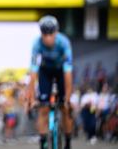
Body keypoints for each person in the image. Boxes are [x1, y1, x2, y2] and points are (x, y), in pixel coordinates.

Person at [26, 15, 73, 149]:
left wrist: (68, 97)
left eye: (50, 34)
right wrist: (32, 96)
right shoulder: (36, 44)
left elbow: (68, 73)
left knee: (65, 108)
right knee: (43, 108)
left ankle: (68, 141)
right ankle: (43, 142)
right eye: (44, 34)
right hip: (45, 71)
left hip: (61, 72)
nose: (47, 38)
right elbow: (33, 72)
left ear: (56, 32)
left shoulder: (64, 43)